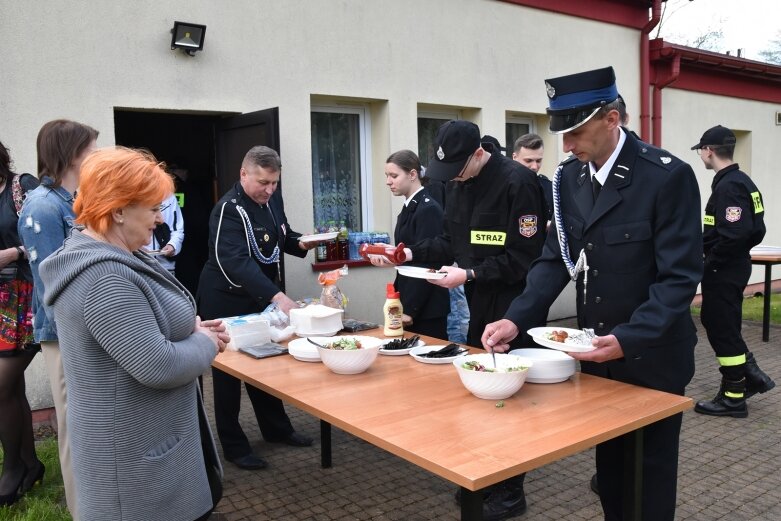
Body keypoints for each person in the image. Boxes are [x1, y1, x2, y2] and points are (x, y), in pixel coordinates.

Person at [482, 66, 703, 521]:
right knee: (612, 478)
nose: (566, 145)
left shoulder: (666, 177)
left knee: (648, 482)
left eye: (576, 132)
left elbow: (679, 278)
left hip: (650, 359)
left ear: (612, 119)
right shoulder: (570, 180)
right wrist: (516, 318)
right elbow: (555, 259)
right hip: (597, 361)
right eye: (561, 133)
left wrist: (630, 336)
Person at [39, 147, 229, 521]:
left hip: (148, 451)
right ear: (119, 209)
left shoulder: (118, 251)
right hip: (134, 471)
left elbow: (140, 327)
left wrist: (186, 328)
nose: (161, 220)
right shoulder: (103, 278)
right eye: (154, 209)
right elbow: (158, 366)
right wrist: (206, 342)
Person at [388, 120, 546, 521]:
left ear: (479, 154)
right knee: (481, 390)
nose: (452, 177)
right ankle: (485, 473)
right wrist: (409, 254)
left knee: (509, 395)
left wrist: (469, 274)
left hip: (515, 302)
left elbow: (524, 257)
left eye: (459, 167)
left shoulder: (518, 183)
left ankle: (510, 491)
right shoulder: (456, 184)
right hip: (479, 298)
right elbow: (452, 242)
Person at [197, 145, 316, 471]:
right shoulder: (228, 210)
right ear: (244, 174)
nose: (269, 190)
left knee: (265, 365)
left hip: (258, 298)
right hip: (224, 299)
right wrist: (279, 297)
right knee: (228, 377)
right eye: (263, 182)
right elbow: (234, 261)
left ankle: (277, 430)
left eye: (274, 183)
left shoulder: (270, 200)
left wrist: (303, 242)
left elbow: (280, 235)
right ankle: (235, 447)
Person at [18, 119, 98, 519]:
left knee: (85, 423)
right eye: (91, 150)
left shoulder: (71, 200)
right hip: (63, 332)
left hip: (79, 327)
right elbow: (51, 283)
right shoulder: (43, 207)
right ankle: (82, 508)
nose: (96, 157)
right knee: (73, 427)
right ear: (70, 153)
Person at [691, 125, 775, 418]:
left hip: (723, 269)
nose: (701, 154)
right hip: (733, 265)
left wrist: (710, 260)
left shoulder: (729, 186)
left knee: (720, 326)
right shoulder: (742, 182)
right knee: (722, 323)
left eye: (701, 149)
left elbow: (734, 234)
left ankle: (733, 396)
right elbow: (757, 229)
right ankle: (750, 376)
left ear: (709, 151)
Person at [0, 140, 41, 507]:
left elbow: (42, 235)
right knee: (11, 390)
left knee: (2, 386)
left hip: (24, 298)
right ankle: (30, 464)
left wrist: (12, 252)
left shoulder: (21, 186)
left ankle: (11, 468)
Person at [380, 150, 448, 339]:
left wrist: (410, 308)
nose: (388, 181)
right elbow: (407, 255)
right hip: (410, 298)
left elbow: (428, 261)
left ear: (412, 174)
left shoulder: (427, 209)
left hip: (426, 308)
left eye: (394, 176)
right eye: (387, 176)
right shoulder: (411, 206)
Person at [513, 133, 553, 225]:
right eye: (528, 161)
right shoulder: (501, 187)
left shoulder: (550, 188)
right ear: (515, 157)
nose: (534, 167)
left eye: (538, 161)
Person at [143, 192, 184, 276]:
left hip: (165, 268)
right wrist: (134, 248)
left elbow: (177, 230)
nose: (160, 219)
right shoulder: (129, 193)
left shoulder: (169, 196)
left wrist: (172, 245)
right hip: (136, 266)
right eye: (154, 210)